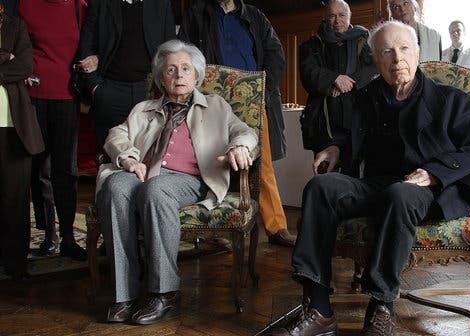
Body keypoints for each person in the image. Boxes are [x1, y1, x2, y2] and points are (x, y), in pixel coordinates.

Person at [271, 21, 470, 336]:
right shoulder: (366, 97)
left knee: (400, 194)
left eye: (404, 49)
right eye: (387, 52)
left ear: (417, 53)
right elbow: (352, 139)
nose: (397, 59)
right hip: (378, 183)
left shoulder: (450, 100)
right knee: (321, 187)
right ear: (376, 61)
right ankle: (319, 308)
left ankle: (382, 306)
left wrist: (435, 173)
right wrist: (336, 148)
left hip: (425, 190)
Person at [96, 40, 258, 325]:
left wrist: (241, 147)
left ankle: (164, 293)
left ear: (196, 75)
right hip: (143, 174)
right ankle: (124, 294)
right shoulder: (143, 108)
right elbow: (116, 135)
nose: (179, 75)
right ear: (161, 77)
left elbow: (244, 132)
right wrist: (129, 159)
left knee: (155, 190)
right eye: (171, 70)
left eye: (185, 68)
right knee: (115, 186)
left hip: (189, 179)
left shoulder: (217, 106)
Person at [179, 0, 296, 247]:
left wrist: (262, 90)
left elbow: (275, 54)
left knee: (262, 166)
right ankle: (217, 228)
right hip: (213, 101)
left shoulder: (255, 15)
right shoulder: (197, 14)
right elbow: (186, 55)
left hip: (253, 101)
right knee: (212, 161)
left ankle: (276, 227)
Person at [19, 0, 87, 260]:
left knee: (65, 169)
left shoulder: (78, 6)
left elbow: (88, 46)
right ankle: (49, 233)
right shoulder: (25, 4)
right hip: (34, 95)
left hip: (68, 96)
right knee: (39, 169)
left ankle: (68, 236)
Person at [75, 0, 176, 151]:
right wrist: (95, 88)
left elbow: (170, 48)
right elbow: (86, 47)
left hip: (150, 91)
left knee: (149, 155)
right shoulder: (99, 4)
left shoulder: (161, 4)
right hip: (110, 90)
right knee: (108, 154)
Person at [299, 0, 377, 176]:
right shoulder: (312, 44)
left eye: (342, 15)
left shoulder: (363, 39)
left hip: (357, 116)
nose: (337, 20)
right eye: (332, 16)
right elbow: (308, 72)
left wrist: (349, 82)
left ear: (350, 16)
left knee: (356, 173)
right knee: (326, 173)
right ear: (325, 18)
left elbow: (374, 66)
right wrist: (334, 79)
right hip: (325, 120)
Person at [0, 9, 45, 283]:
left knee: (14, 199)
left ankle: (16, 262)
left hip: (13, 128)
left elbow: (26, 66)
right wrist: (5, 56)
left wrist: (11, 59)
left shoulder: (16, 27)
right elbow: (14, 67)